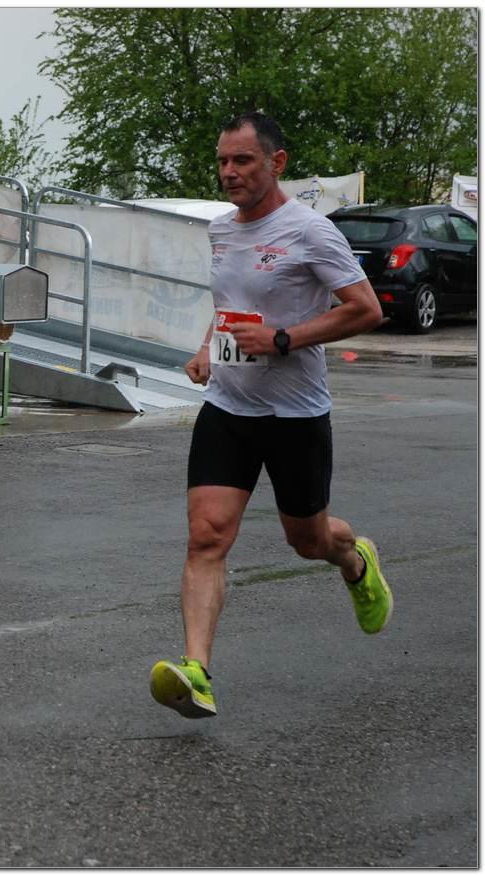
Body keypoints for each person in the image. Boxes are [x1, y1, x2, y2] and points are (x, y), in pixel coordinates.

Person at [150, 112, 392, 719]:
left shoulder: (311, 232)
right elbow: (230, 305)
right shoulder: (220, 231)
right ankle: (197, 672)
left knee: (308, 540)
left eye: (243, 161)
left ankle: (355, 560)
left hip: (295, 414)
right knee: (207, 535)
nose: (229, 172)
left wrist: (284, 339)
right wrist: (208, 349)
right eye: (222, 161)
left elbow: (365, 309)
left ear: (276, 163)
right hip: (229, 407)